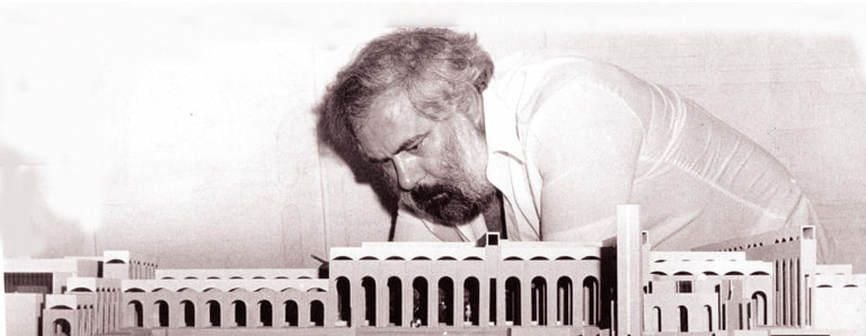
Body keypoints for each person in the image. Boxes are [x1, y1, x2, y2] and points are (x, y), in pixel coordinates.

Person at [318, 27, 823, 254]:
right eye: (384, 161)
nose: (403, 180)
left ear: (461, 102)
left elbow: (568, 302)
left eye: (409, 147)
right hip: (664, 292)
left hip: (771, 271)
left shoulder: (574, 105)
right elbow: (406, 291)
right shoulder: (431, 160)